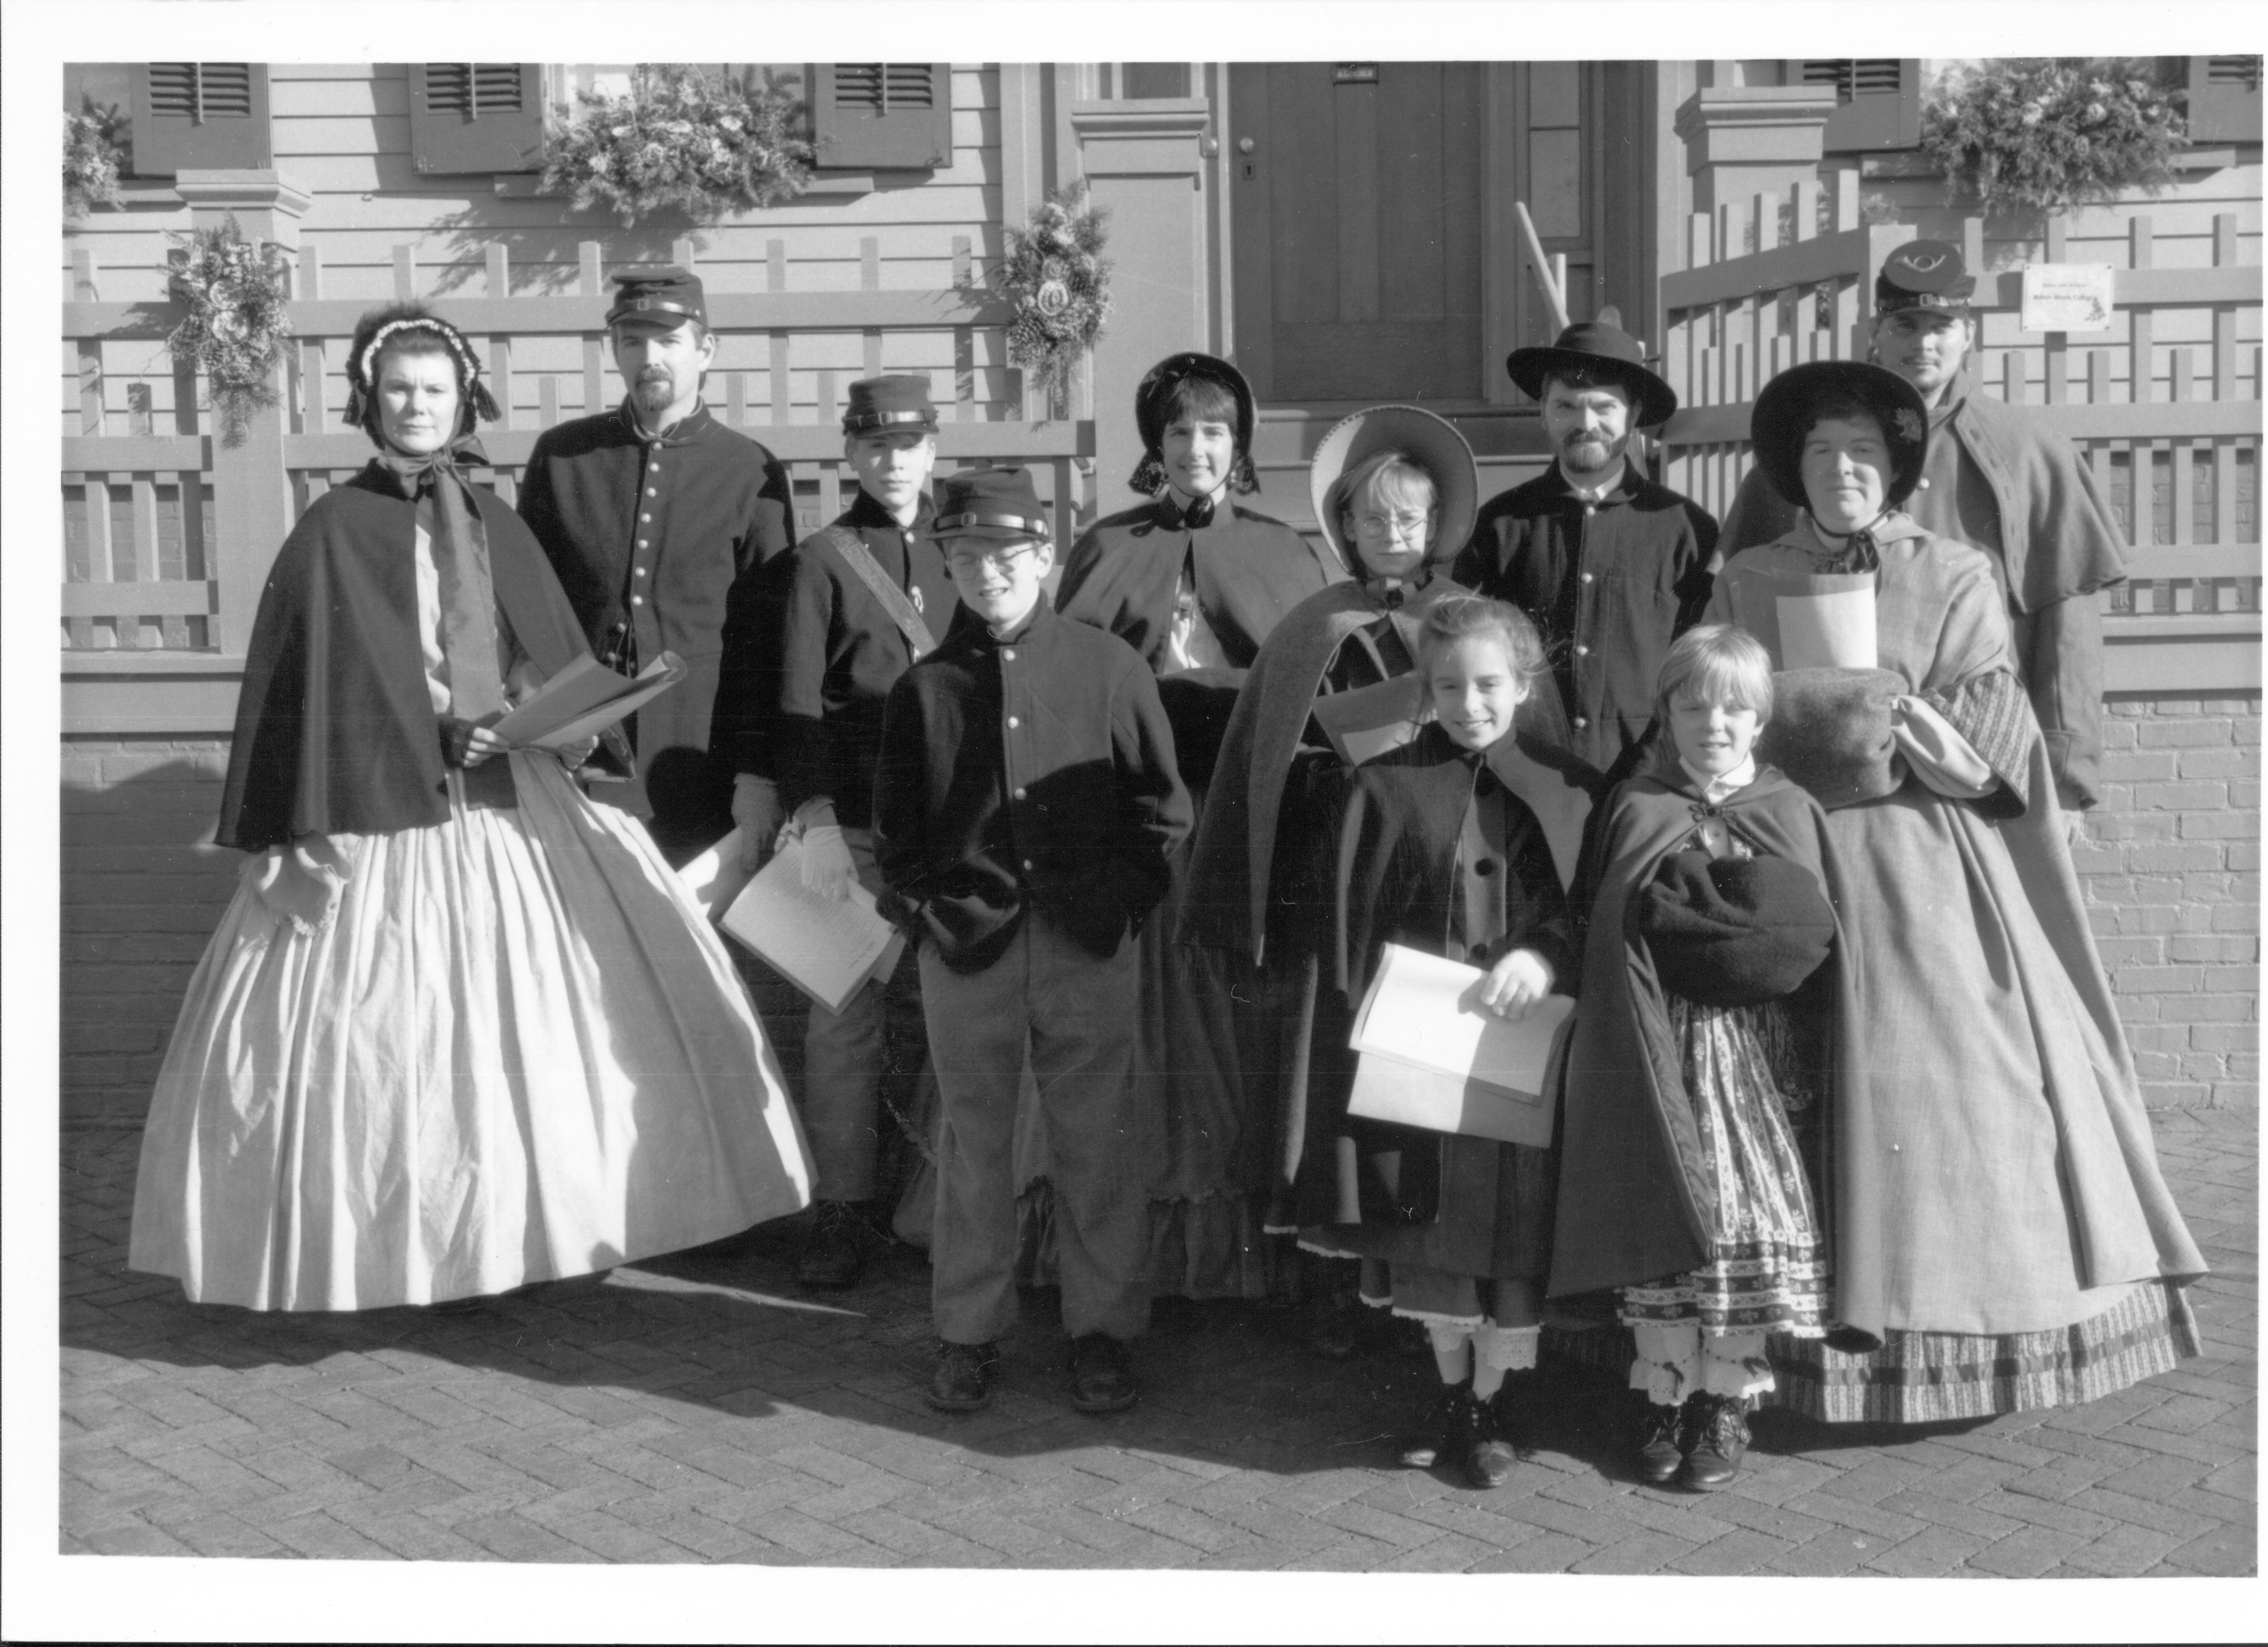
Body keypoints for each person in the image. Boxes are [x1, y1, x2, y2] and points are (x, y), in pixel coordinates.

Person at [127, 304, 814, 1312]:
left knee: (535, 1019)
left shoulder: (495, 521)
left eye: (434, 391)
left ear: (463, 403)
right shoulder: (331, 529)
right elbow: (315, 686)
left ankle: (517, 1242)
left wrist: (529, 717)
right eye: (400, 389)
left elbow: (542, 647)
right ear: (371, 401)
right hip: (382, 807)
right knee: (385, 1035)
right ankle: (394, 1251)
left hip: (513, 800)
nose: (417, 407)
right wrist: (430, 727)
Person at [1707, 360, 2205, 1422]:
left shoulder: (1956, 571)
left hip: (1920, 863)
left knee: (1942, 1076)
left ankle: (1953, 1336)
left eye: (1863, 454)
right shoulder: (1749, 575)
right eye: (1820, 452)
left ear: (1894, 469)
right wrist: (1835, 715)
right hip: (1789, 849)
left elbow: (1986, 729)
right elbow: (1719, 708)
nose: (1841, 471)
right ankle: (1775, 1346)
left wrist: (1864, 718)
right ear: (1791, 469)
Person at [1181, 405, 1502, 1357]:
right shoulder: (1311, 625)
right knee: (1342, 1076)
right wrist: (1337, 758)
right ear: (1345, 526)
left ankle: (1440, 1275)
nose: (1393, 535)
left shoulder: (1472, 624)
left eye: (1410, 519)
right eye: (1373, 519)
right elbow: (1266, 762)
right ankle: (1343, 1283)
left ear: (1437, 524)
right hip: (1347, 884)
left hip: (1446, 888)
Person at [872, 468, 1191, 1415]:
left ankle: (1101, 1332)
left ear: (1045, 556)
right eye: (965, 557)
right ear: (947, 568)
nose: (988, 573)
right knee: (974, 1146)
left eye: (1007, 554)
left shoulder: (1106, 668)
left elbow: (1160, 814)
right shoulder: (925, 688)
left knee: (1097, 1143)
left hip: (1086, 945)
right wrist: (934, 917)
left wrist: (1122, 906)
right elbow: (898, 840)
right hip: (968, 950)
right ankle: (968, 1331)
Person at [1052, 352, 1344, 1300]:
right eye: (1179, 433)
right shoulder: (1105, 545)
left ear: (1238, 445)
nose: (1196, 449)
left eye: (1214, 432)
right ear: (1156, 445)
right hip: (1135, 810)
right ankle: (1132, 1255)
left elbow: (1308, 684)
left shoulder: (1280, 548)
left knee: (1238, 1020)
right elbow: (1075, 674)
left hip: (1241, 809)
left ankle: (1245, 1254)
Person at [1296, 595, 1589, 1489]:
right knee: (1438, 1244)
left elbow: (1581, 908)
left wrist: (1543, 956)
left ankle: (1498, 1399)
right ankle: (1453, 1393)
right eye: (1451, 685)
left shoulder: (1565, 786)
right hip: (1423, 1059)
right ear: (1427, 688)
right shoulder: (1384, 786)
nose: (1471, 703)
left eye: (1490, 684)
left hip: (1523, 1056)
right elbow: (1351, 927)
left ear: (1523, 685)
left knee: (1510, 1235)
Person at [1552, 624, 1843, 1491]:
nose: (1711, 722)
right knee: (1663, 1203)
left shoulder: (1787, 808)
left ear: (1758, 718)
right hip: (1656, 1042)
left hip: (1753, 1052)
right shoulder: (1637, 806)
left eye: (1732, 706)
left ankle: (1723, 1398)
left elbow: (1821, 936)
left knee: (1737, 1213)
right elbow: (1599, 923)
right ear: (1665, 712)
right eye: (1691, 704)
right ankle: (1664, 1392)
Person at [1716, 240, 2128, 822]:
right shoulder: (1807, 452)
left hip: (1972, 763)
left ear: (1970, 333)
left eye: (1943, 325)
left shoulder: (2030, 448)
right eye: (1905, 324)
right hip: (1818, 777)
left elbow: (2069, 633)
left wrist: (2064, 781)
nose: (1924, 343)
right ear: (1876, 331)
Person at [726, 375, 959, 1288]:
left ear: (933, 450)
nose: (893, 462)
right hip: (855, 821)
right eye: (875, 447)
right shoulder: (824, 558)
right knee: (844, 1019)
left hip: (956, 825)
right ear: (852, 454)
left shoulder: (966, 540)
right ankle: (845, 1204)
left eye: (909, 445)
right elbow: (797, 699)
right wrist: (815, 814)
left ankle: (951, 1202)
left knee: (960, 1019)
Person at [516, 264, 796, 864]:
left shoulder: (751, 470)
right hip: (577, 755)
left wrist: (757, 775)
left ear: (707, 350)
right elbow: (524, 607)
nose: (651, 357)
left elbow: (770, 644)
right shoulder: (562, 457)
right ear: (612, 349)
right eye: (633, 341)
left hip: (699, 761)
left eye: (669, 341)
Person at [1453, 319, 1717, 784]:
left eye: (1603, 407)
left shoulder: (1685, 530)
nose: (1585, 424)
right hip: (1523, 775)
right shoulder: (1500, 525)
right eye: (1567, 407)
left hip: (1647, 780)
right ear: (1543, 413)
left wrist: (1656, 761)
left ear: (1633, 415)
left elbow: (1700, 664)